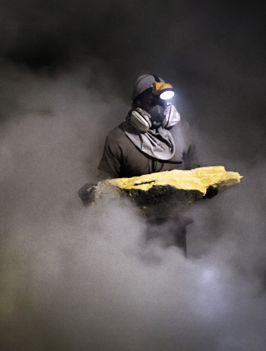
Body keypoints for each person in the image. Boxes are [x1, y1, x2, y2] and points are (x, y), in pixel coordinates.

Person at [79, 74, 199, 253]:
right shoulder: (118, 138)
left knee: (174, 277)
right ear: (137, 104)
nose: (159, 108)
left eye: (163, 102)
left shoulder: (182, 131)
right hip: (134, 232)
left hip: (174, 229)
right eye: (151, 102)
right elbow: (106, 181)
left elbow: (195, 170)